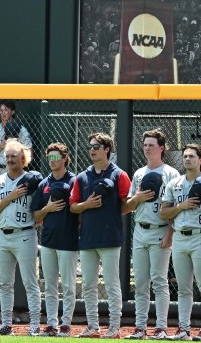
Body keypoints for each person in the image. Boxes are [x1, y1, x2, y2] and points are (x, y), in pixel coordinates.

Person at [70, 133, 130, 339]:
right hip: (87, 238)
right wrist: (86, 205)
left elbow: (126, 205)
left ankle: (114, 327)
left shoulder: (119, 175)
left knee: (112, 283)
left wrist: (138, 199)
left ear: (107, 149)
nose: (92, 149)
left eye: (96, 146)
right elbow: (73, 207)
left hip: (110, 237)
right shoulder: (82, 177)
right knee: (88, 284)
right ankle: (93, 327)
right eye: (90, 146)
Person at [122, 129, 180, 340]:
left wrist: (170, 233)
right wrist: (136, 197)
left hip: (160, 230)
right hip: (140, 229)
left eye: (151, 145)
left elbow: (175, 207)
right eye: (145, 144)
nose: (147, 148)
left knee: (159, 280)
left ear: (162, 148)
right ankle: (140, 327)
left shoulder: (172, 173)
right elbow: (127, 206)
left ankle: (161, 327)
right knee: (140, 282)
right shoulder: (138, 173)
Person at [159, 143, 201, 342]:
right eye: (185, 156)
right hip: (180, 237)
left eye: (192, 156)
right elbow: (164, 212)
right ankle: (183, 329)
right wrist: (182, 206)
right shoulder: (175, 183)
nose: (187, 159)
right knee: (184, 287)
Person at [0, 139, 43, 336]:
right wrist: (10, 196)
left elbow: (40, 208)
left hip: (25, 233)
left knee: (30, 281)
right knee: (5, 283)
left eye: (14, 156)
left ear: (22, 157)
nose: (10, 160)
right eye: (7, 156)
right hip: (2, 235)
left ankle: (35, 324)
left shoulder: (33, 180)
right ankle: (6, 324)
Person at [31, 142, 79, 338]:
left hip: (68, 241)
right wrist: (47, 209)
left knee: (68, 285)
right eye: (50, 157)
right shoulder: (44, 184)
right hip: (48, 241)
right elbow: (36, 216)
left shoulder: (75, 181)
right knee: (49, 285)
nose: (53, 161)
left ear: (65, 158)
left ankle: (66, 324)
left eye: (57, 157)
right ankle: (51, 324)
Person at [0, 100, 33, 176]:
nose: (3, 113)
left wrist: (17, 146)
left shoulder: (22, 130)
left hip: (14, 168)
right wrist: (1, 146)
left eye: (6, 110)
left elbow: (31, 156)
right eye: (1, 110)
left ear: (12, 112)